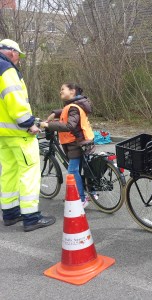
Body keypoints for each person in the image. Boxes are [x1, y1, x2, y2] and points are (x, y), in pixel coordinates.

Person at [0, 39, 56, 231]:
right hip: (19, 133)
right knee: (29, 172)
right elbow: (14, 98)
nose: (19, 60)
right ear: (11, 52)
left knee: (9, 171)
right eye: (19, 55)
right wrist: (29, 123)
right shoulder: (6, 69)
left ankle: (10, 213)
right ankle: (31, 217)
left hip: (3, 134)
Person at [40, 83, 95, 208]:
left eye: (62, 89)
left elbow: (70, 125)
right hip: (82, 141)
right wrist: (55, 113)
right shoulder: (76, 104)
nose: (60, 91)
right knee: (79, 169)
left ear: (72, 91)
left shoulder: (74, 107)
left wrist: (49, 125)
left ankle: (81, 199)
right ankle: (86, 193)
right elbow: (68, 111)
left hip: (76, 143)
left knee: (72, 171)